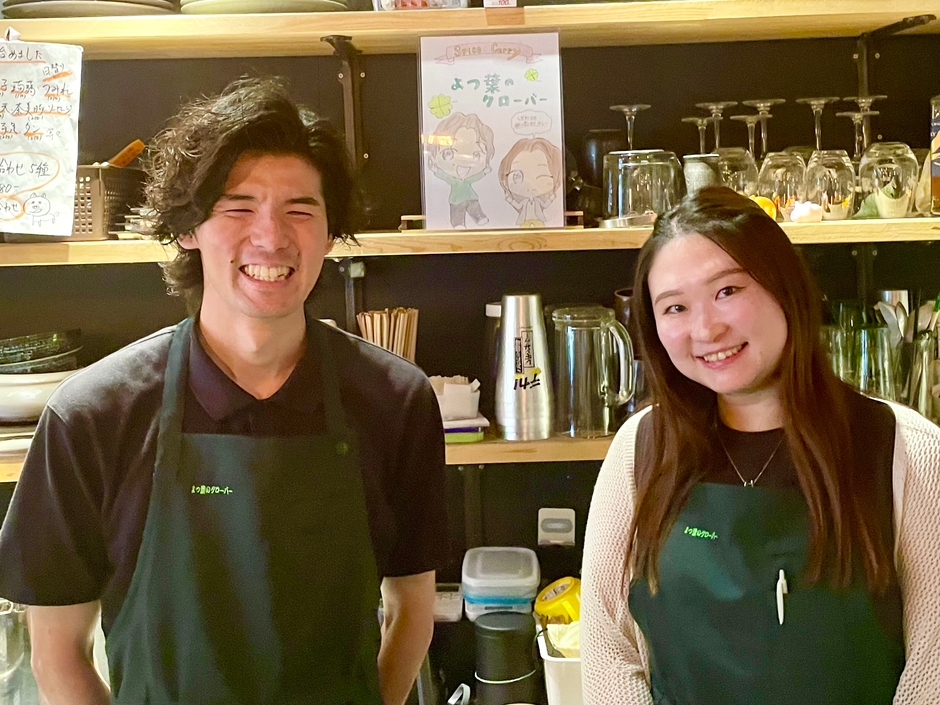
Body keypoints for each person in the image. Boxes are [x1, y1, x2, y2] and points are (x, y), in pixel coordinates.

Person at [0, 77, 447, 705]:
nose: (271, 236)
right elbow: (56, 651)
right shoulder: (93, 416)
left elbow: (413, 608)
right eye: (238, 207)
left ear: (329, 233)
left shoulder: (395, 401)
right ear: (188, 228)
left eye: (300, 209)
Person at [581, 187, 940, 705]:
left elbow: (933, 664)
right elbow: (607, 651)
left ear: (784, 285)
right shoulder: (639, 451)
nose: (707, 328)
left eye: (727, 290)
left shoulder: (907, 450)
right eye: (675, 307)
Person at [426, 112, 494, 228]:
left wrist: (484, 172)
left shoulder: (467, 180)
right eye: (449, 153)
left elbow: (475, 177)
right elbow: (445, 176)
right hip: (456, 199)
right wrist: (436, 170)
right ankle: (458, 224)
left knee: (474, 207)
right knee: (457, 212)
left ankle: (479, 217)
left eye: (476, 154)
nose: (463, 160)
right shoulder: (454, 180)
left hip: (471, 196)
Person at [497, 137, 563, 228]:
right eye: (518, 176)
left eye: (541, 177)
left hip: (539, 222)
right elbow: (518, 206)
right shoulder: (523, 202)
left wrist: (552, 198)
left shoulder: (539, 201)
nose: (530, 183)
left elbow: (545, 204)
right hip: (525, 222)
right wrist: (510, 200)